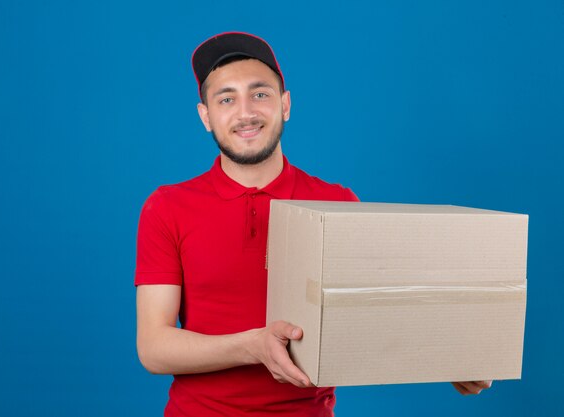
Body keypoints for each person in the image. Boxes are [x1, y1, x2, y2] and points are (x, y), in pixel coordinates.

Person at [135, 32, 492, 417]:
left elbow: (373, 316)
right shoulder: (167, 207)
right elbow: (154, 346)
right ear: (205, 116)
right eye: (226, 99)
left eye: (260, 94)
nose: (246, 113)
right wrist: (252, 346)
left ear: (285, 105)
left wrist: (450, 355)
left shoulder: (336, 203)